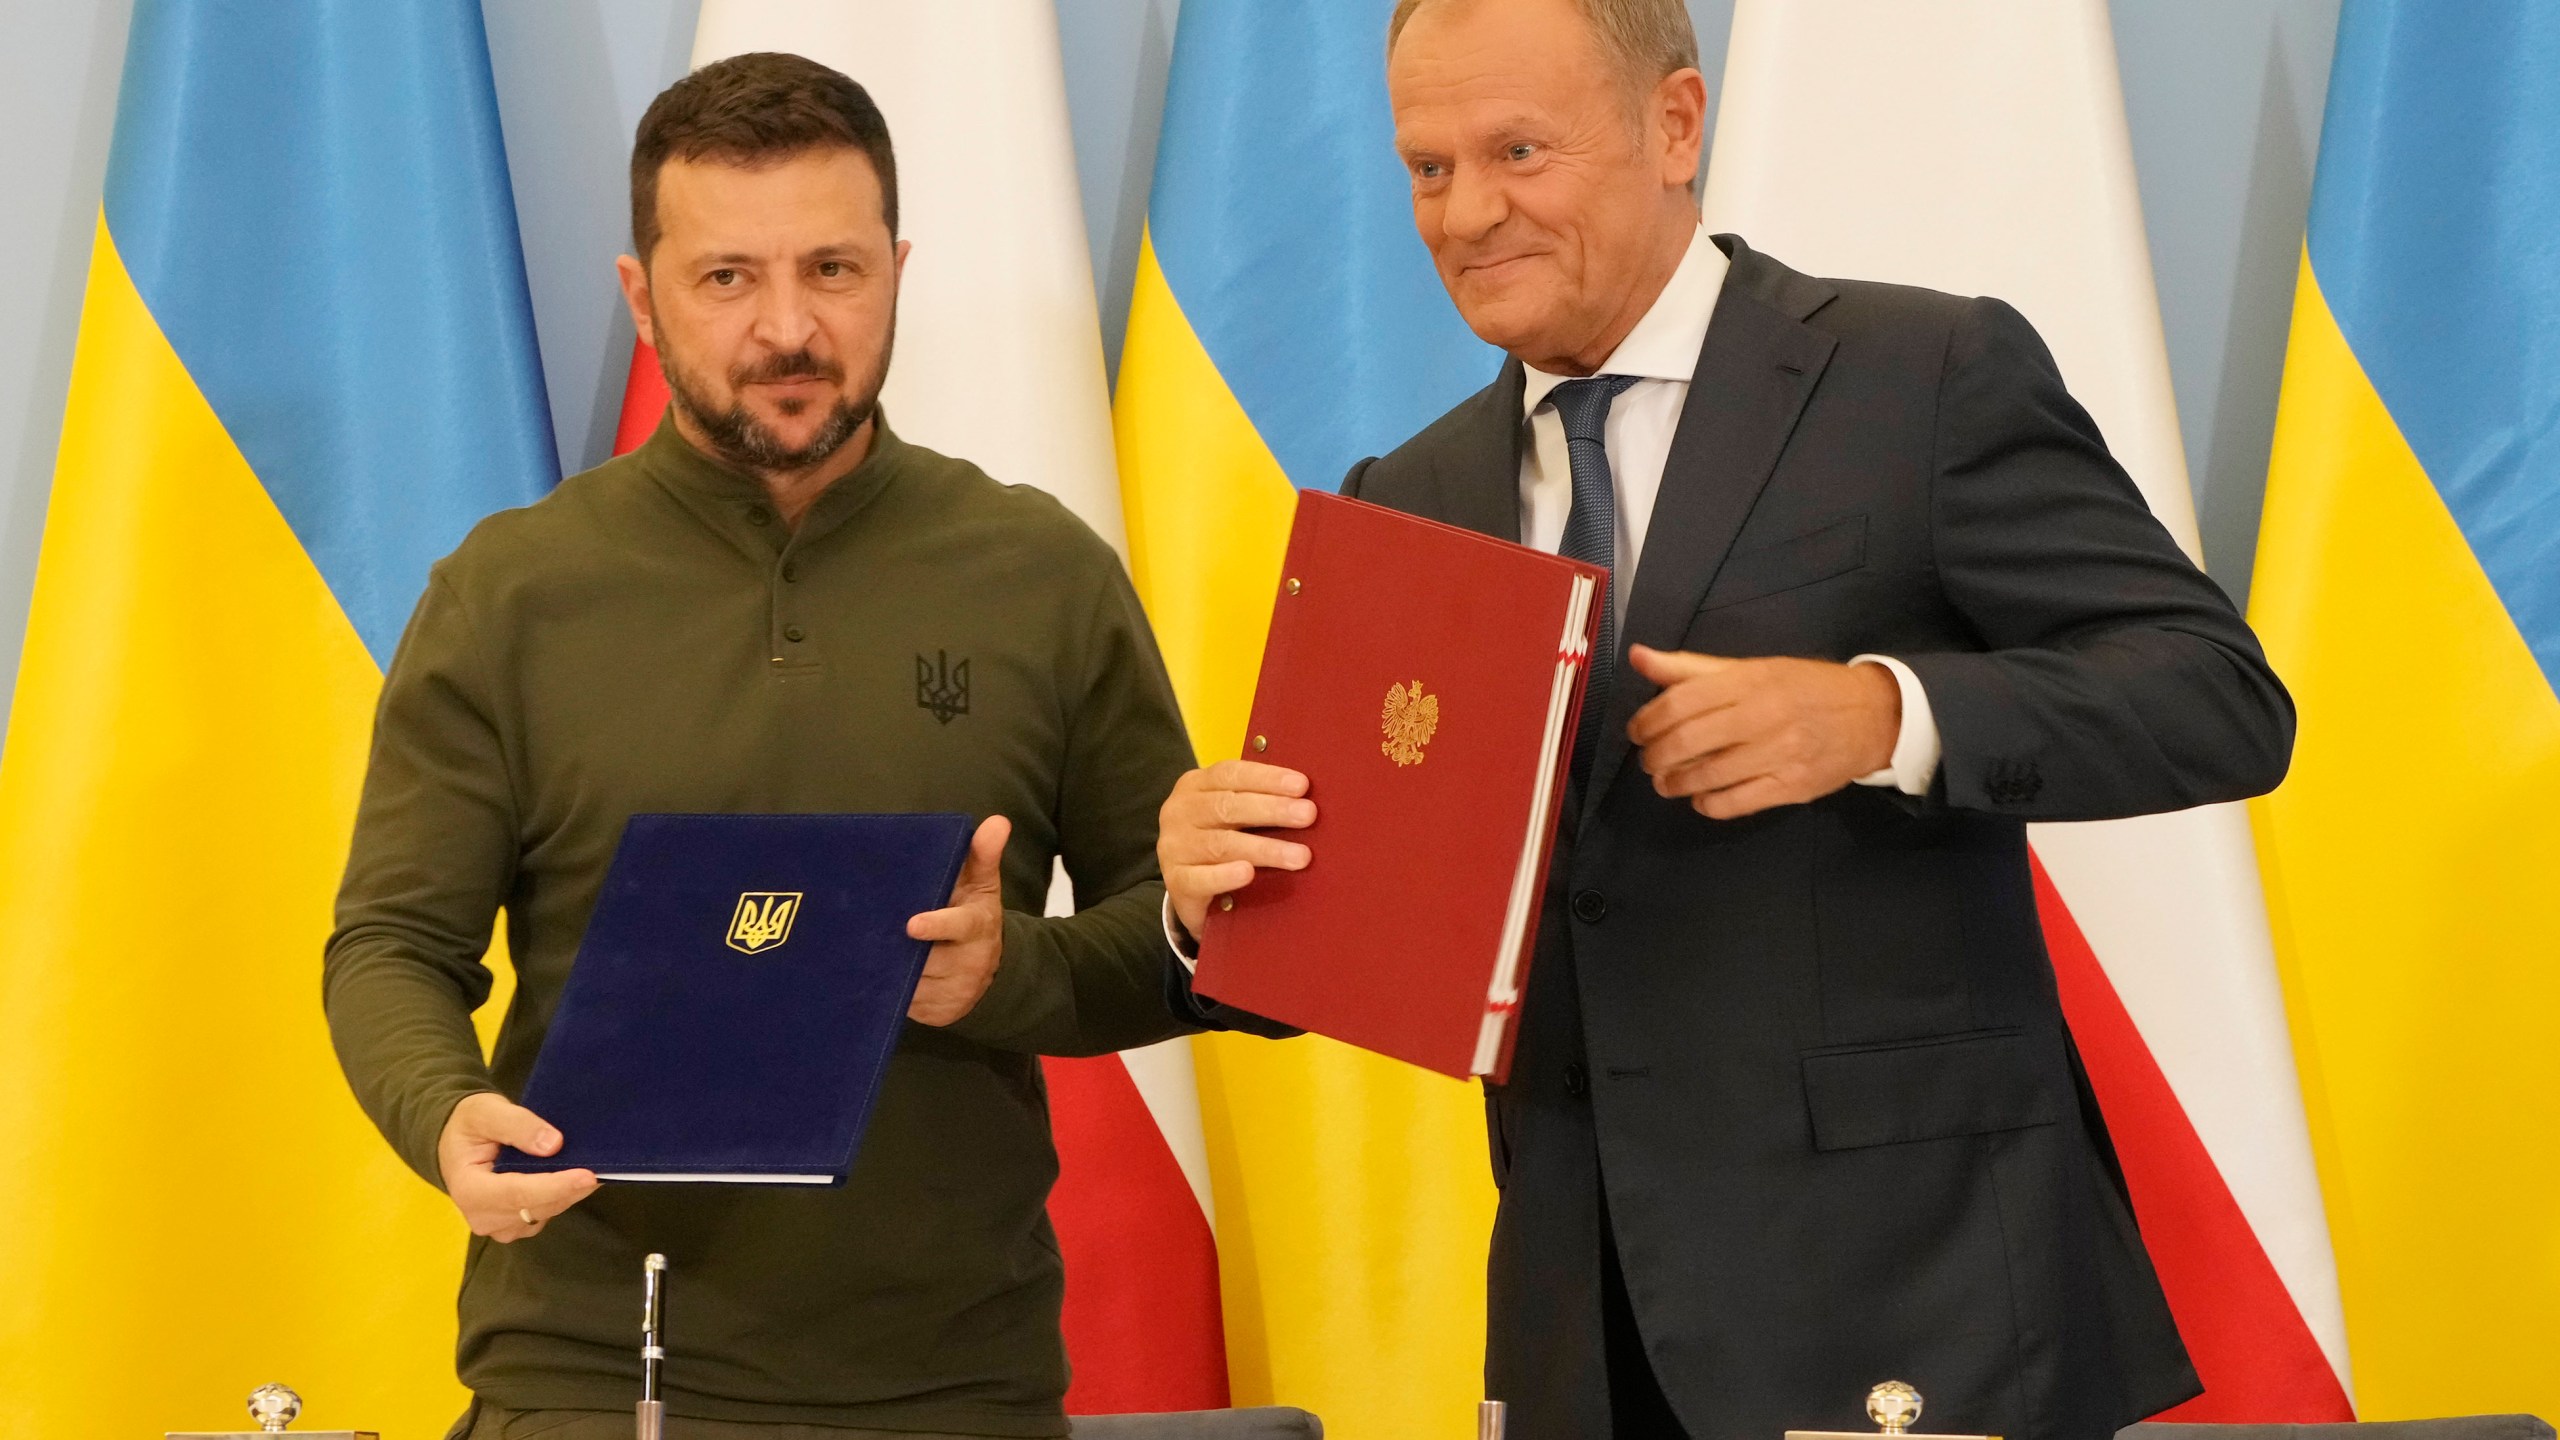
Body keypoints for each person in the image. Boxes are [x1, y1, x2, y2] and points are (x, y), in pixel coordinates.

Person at [1156, 1, 2295, 1437]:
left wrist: (1887, 715)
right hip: (1590, 1328)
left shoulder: (1920, 376)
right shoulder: (1410, 497)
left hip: (1920, 1290)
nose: (1467, 213)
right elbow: (1375, 930)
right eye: (1428, 168)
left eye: (1517, 150)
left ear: (1674, 126)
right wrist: (1220, 897)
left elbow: (2220, 697)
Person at [324, 53, 1198, 1440]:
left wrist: (1008, 970)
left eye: (834, 271)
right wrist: (444, 1113)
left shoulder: (1044, 575)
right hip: (591, 1376)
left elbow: (1195, 943)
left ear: (898, 270)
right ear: (642, 293)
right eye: (727, 277)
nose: (787, 328)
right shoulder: (508, 594)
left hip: (957, 1385)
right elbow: (389, 945)